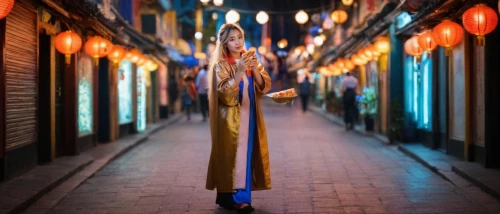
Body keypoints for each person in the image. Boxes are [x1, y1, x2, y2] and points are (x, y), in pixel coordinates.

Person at [206, 23, 272, 213]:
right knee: (233, 156)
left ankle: (231, 197)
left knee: (246, 153)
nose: (237, 42)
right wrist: (240, 70)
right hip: (230, 120)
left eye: (240, 37)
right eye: (232, 39)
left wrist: (254, 68)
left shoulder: (250, 59)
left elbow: (263, 86)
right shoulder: (222, 65)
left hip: (250, 116)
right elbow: (225, 94)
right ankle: (237, 199)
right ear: (225, 43)